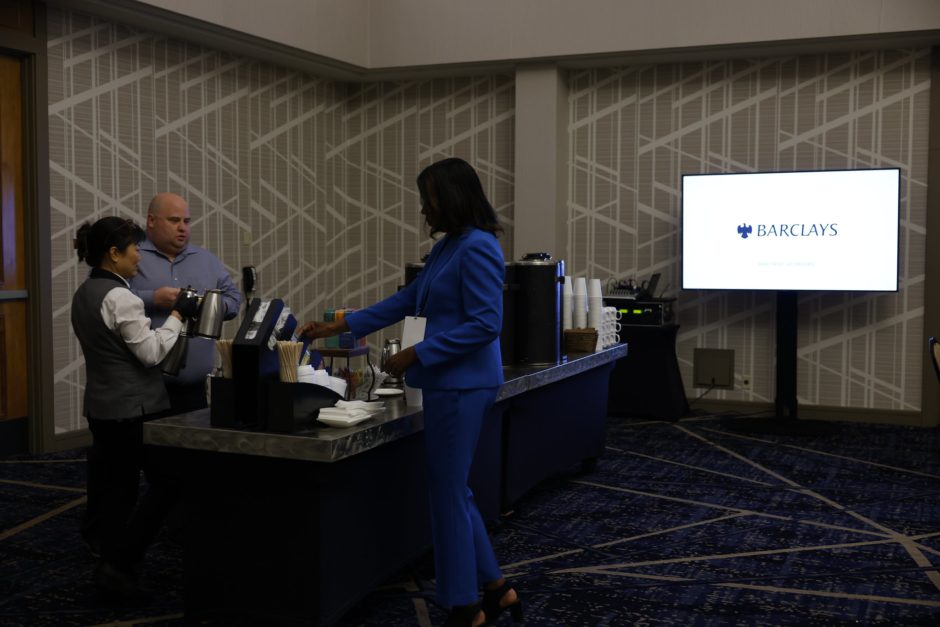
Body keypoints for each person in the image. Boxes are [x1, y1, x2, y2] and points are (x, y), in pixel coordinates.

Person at [299, 158, 522, 627]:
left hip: (462, 385)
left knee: (445, 493)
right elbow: (406, 300)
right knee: (453, 490)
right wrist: (338, 325)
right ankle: (497, 588)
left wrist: (417, 355)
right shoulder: (449, 248)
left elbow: (486, 324)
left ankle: (464, 605)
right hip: (449, 384)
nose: (424, 209)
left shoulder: (478, 247)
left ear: (452, 198)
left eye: (429, 199)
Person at [71, 216, 199, 601]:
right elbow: (152, 353)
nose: (139, 261)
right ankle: (122, 561)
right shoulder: (121, 297)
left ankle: (113, 561)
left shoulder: (84, 293)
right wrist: (178, 313)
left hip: (102, 406)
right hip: (137, 410)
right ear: (114, 254)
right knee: (171, 482)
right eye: (133, 253)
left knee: (118, 490)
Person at [129, 192, 241, 414]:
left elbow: (234, 299)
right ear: (151, 221)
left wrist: (210, 307)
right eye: (174, 220)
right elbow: (109, 299)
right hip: (146, 391)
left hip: (195, 391)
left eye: (186, 221)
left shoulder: (206, 259)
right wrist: (154, 299)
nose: (183, 228)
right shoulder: (132, 255)